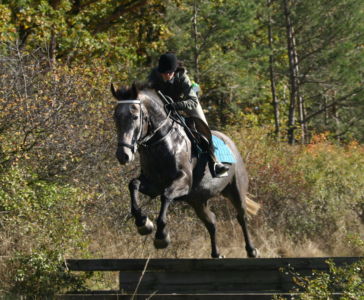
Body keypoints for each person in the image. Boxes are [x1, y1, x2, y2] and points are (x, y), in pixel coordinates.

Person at [147, 52, 229, 178]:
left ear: (174, 70)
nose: (166, 75)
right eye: (164, 73)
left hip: (185, 103)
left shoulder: (183, 77)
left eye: (169, 73)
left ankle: (215, 162)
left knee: (202, 126)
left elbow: (192, 101)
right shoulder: (154, 76)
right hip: (163, 107)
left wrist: (176, 105)